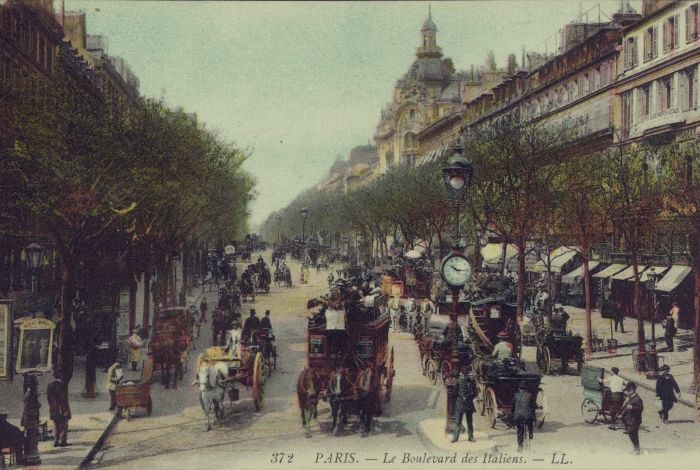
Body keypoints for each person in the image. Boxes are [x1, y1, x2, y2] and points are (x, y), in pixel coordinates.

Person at [451, 365, 477, 443]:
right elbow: (455, 392)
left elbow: (475, 392)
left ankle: (471, 437)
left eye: (467, 374)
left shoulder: (471, 381)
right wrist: (459, 399)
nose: (465, 375)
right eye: (464, 374)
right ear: (462, 373)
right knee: (458, 421)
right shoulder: (458, 381)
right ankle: (455, 437)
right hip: (460, 402)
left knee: (470, 421)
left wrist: (470, 397)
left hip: (468, 403)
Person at [47, 374, 71, 447]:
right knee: (64, 424)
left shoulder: (50, 385)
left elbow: (48, 398)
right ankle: (63, 441)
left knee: (55, 424)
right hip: (62, 408)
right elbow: (64, 398)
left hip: (53, 408)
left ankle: (56, 441)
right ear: (61, 377)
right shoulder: (63, 385)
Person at [511, 381, 535, 452]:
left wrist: (514, 414)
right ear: (526, 389)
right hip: (527, 417)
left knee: (519, 431)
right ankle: (530, 433)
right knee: (530, 421)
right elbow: (532, 407)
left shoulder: (516, 395)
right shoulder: (530, 395)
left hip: (518, 417)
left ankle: (520, 446)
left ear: (519, 388)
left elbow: (512, 407)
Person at [620, 382, 643, 454]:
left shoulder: (638, 399)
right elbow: (626, 408)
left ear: (633, 390)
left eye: (629, 390)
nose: (628, 392)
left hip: (635, 420)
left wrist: (632, 407)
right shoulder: (630, 398)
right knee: (631, 434)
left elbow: (640, 408)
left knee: (634, 435)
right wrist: (621, 414)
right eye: (627, 390)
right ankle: (635, 448)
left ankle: (637, 449)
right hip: (629, 420)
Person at [356, 363, 374, 437]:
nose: (367, 370)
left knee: (368, 411)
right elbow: (357, 383)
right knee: (361, 411)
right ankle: (362, 426)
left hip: (368, 394)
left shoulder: (372, 375)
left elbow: (374, 385)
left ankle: (367, 427)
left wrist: (369, 389)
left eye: (368, 368)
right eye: (366, 368)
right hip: (362, 394)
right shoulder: (361, 374)